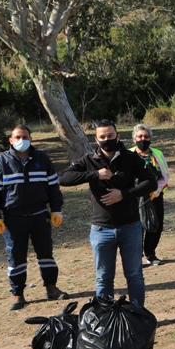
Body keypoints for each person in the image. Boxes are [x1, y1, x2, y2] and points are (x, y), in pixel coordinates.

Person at [60, 120, 157, 307]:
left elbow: (151, 182)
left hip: (130, 226)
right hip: (101, 229)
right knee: (103, 278)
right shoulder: (89, 160)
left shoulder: (131, 158)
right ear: (96, 139)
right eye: (102, 137)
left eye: (111, 136)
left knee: (134, 275)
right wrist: (95, 174)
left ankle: (137, 316)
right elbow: (64, 178)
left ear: (118, 136)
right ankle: (104, 319)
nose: (107, 140)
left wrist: (124, 194)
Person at [0, 125, 67, 310]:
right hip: (14, 218)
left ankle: (52, 288)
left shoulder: (42, 159)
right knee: (16, 257)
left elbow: (53, 186)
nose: (22, 140)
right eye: (17, 137)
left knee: (46, 254)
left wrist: (56, 209)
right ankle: (17, 294)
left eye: (25, 136)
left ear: (31, 138)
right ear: (11, 141)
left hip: (40, 216)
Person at [130, 124, 170, 265]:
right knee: (136, 227)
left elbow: (165, 176)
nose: (143, 139)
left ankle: (150, 255)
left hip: (155, 195)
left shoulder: (157, 154)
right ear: (134, 138)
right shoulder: (128, 154)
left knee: (155, 225)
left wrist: (156, 191)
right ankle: (136, 258)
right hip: (134, 197)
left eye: (146, 136)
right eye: (140, 136)